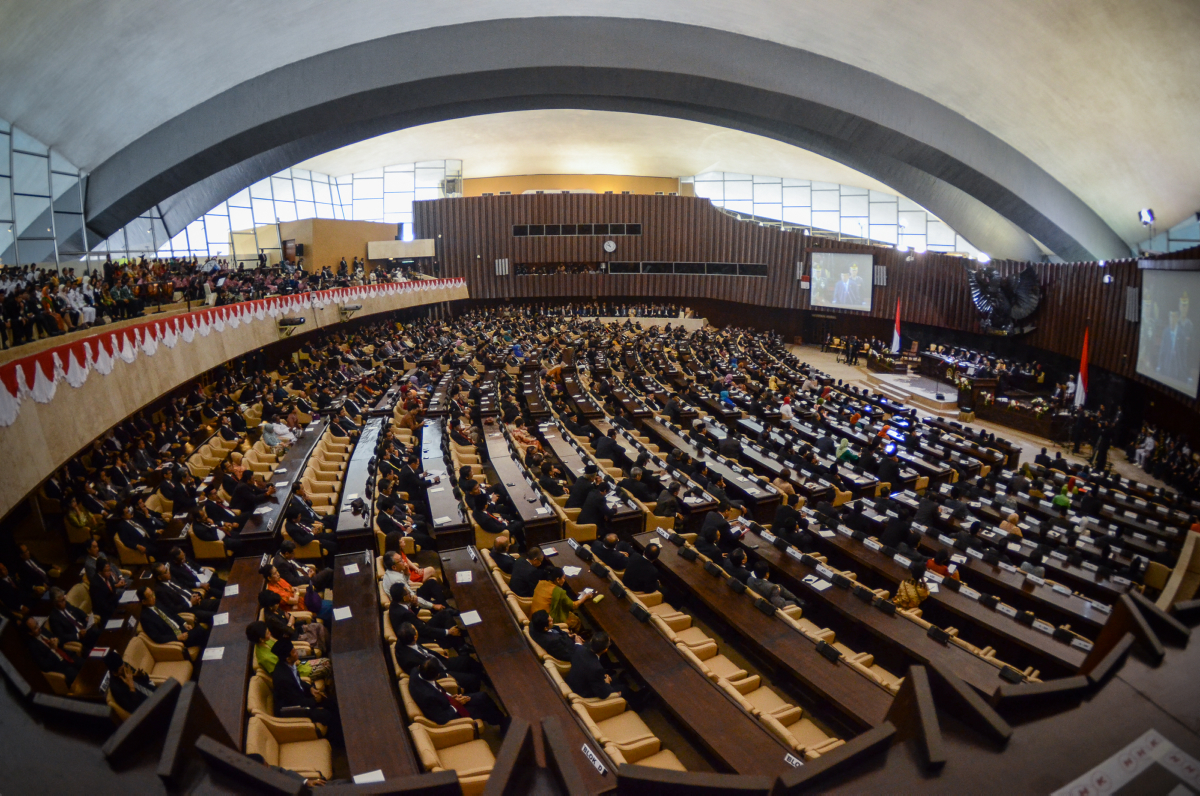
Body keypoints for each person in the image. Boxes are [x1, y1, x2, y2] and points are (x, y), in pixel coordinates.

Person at [271, 640, 341, 742]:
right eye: (293, 652)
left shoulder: (289, 665)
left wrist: (310, 688)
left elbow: (298, 681)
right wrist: (315, 700)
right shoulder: (283, 679)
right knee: (326, 714)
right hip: (293, 709)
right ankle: (337, 741)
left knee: (330, 702)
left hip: (299, 697)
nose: (297, 652)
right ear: (288, 658)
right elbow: (295, 702)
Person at [409, 656, 507, 728]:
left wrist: (452, 697)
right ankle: (503, 724)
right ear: (437, 676)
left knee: (482, 696)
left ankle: (501, 720)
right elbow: (442, 718)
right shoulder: (428, 696)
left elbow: (438, 692)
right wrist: (455, 704)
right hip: (450, 714)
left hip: (448, 701)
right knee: (482, 709)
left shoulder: (415, 672)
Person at [246, 621, 331, 685]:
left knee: (327, 661)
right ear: (261, 639)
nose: (270, 633)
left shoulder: (266, 641)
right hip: (298, 672)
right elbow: (283, 672)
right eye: (267, 633)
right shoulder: (265, 657)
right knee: (328, 666)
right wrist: (294, 661)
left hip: (299, 664)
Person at [138, 586, 209, 649]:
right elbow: (157, 637)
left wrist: (184, 623)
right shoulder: (145, 618)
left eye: (153, 594)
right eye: (150, 596)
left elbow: (172, 613)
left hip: (181, 629)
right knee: (201, 632)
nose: (154, 597)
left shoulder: (157, 603)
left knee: (201, 630)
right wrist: (177, 637)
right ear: (144, 602)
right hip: (174, 638)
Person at [531, 566, 592, 632]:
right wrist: (585, 596)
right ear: (557, 579)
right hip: (547, 621)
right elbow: (574, 606)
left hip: (534, 617)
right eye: (563, 578)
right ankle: (575, 635)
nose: (564, 580)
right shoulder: (559, 591)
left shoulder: (541, 583)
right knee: (576, 620)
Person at [24, 616, 80, 683]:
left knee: (83, 662)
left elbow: (59, 639)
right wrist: (52, 649)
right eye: (35, 628)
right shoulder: (32, 647)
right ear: (30, 633)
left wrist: (57, 640)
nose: (39, 628)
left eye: (37, 624)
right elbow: (45, 666)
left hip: (67, 656)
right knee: (76, 674)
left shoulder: (43, 630)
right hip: (59, 667)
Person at [105, 649, 157, 714]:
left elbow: (146, 679)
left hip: (154, 693)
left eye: (123, 665)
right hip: (147, 708)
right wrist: (131, 687)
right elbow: (134, 709)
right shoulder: (116, 688)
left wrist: (140, 676)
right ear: (114, 672)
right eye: (121, 669)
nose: (124, 668)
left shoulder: (125, 666)